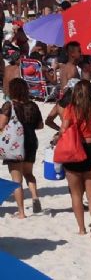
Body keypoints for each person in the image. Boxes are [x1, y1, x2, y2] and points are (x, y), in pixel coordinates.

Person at [61, 79, 91, 237]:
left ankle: (82, 228)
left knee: (76, 194)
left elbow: (64, 129)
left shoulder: (70, 108)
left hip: (74, 149)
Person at [0, 77, 43, 217]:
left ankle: (21, 212)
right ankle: (35, 196)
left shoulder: (9, 105)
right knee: (29, 173)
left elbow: (1, 124)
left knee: (16, 180)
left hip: (15, 144)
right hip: (31, 142)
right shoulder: (33, 105)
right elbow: (40, 125)